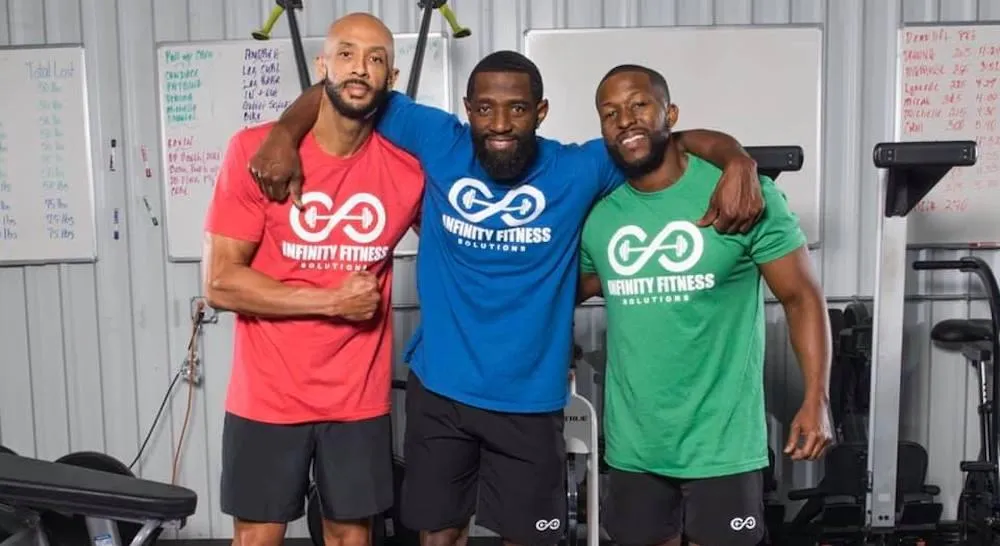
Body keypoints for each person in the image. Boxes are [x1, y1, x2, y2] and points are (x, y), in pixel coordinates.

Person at [249, 44, 765, 546]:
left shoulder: (579, 168)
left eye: (517, 109)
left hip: (530, 400)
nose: (499, 124)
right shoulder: (439, 139)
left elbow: (662, 139)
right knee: (440, 532)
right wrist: (283, 134)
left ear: (540, 112)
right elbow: (345, 91)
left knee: (529, 537)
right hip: (442, 390)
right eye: (485, 109)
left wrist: (737, 158)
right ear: (467, 109)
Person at [577, 64, 833, 546]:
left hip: (722, 444)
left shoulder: (741, 196)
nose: (625, 120)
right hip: (635, 446)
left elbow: (801, 298)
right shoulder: (601, 218)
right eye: (610, 113)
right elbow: (558, 292)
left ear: (670, 114)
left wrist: (816, 399)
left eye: (639, 105)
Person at [201, 13, 425, 546]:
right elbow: (221, 283)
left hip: (356, 398)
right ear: (323, 65)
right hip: (267, 394)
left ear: (391, 78)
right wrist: (331, 303)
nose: (360, 69)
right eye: (346, 54)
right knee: (258, 536)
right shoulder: (257, 153)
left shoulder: (409, 170)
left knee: (351, 535)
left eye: (375, 59)